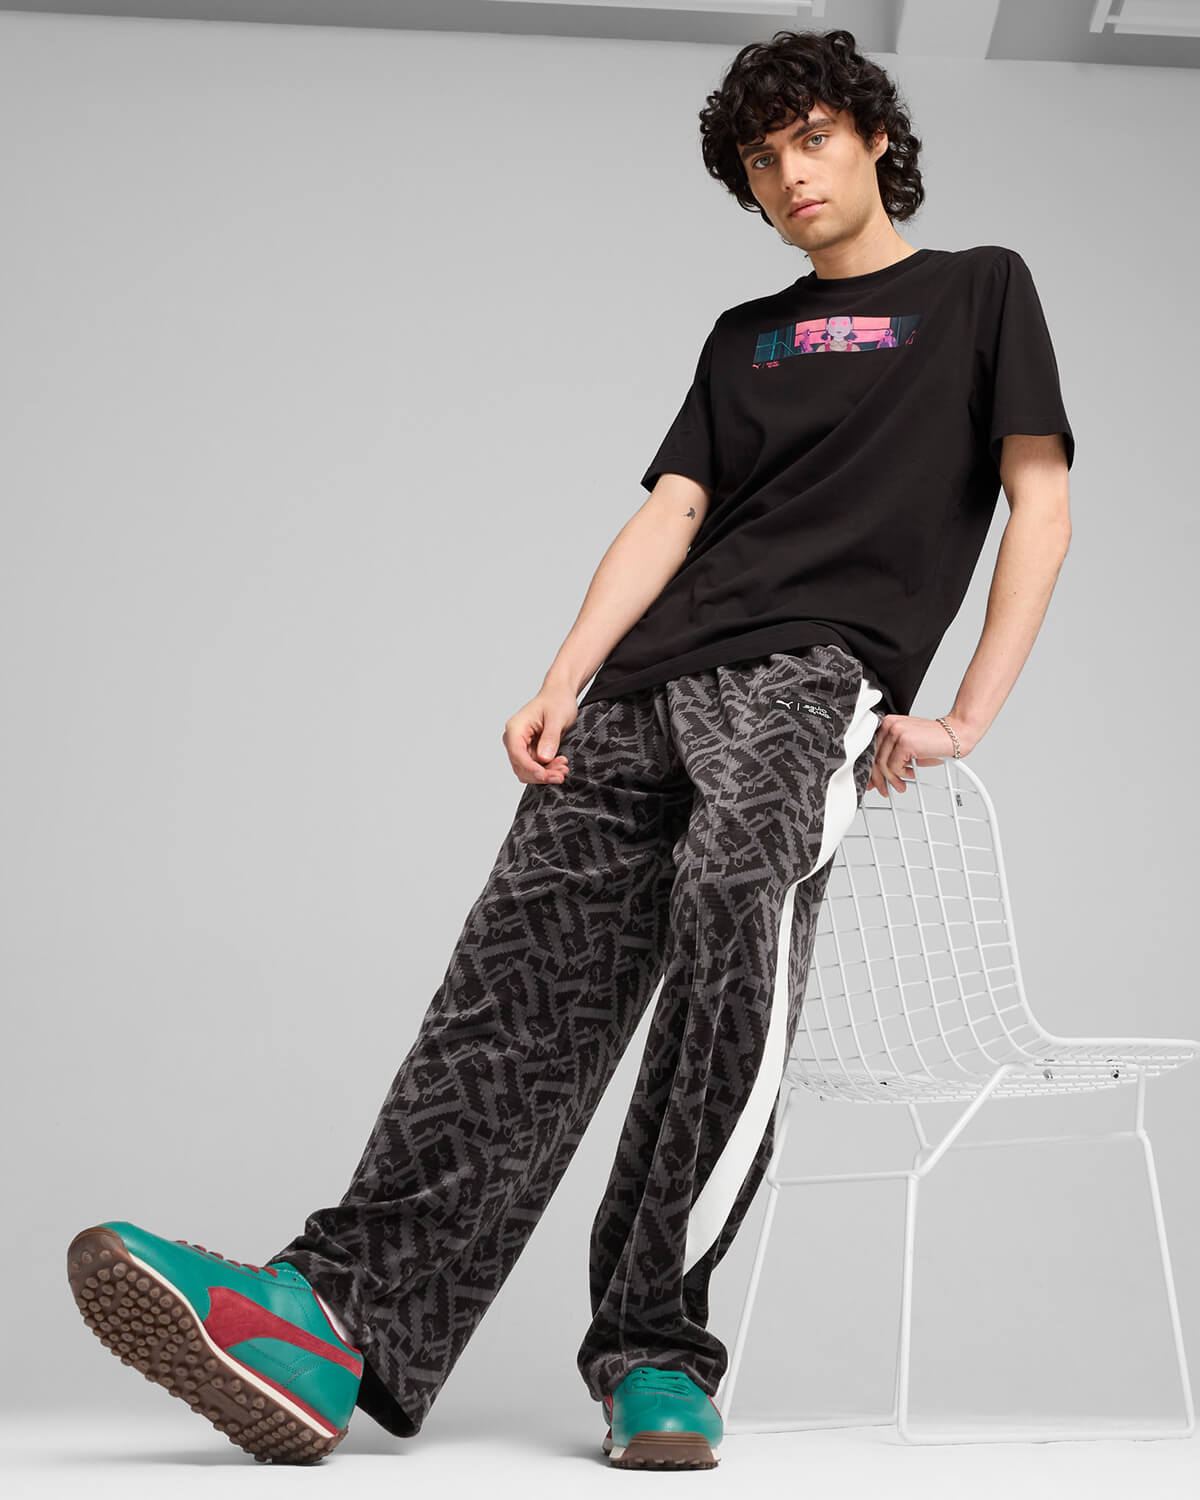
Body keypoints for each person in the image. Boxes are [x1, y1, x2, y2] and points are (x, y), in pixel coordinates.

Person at [65, 26, 1074, 1472]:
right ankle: (331, 1314)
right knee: (512, 994)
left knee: (735, 915)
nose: (789, 173)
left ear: (871, 138)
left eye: (810, 138)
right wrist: (564, 676)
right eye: (760, 158)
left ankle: (656, 1344)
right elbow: (674, 512)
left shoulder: (981, 292)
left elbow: (1040, 501)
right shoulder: (742, 337)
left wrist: (968, 714)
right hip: (647, 683)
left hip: (811, 674)